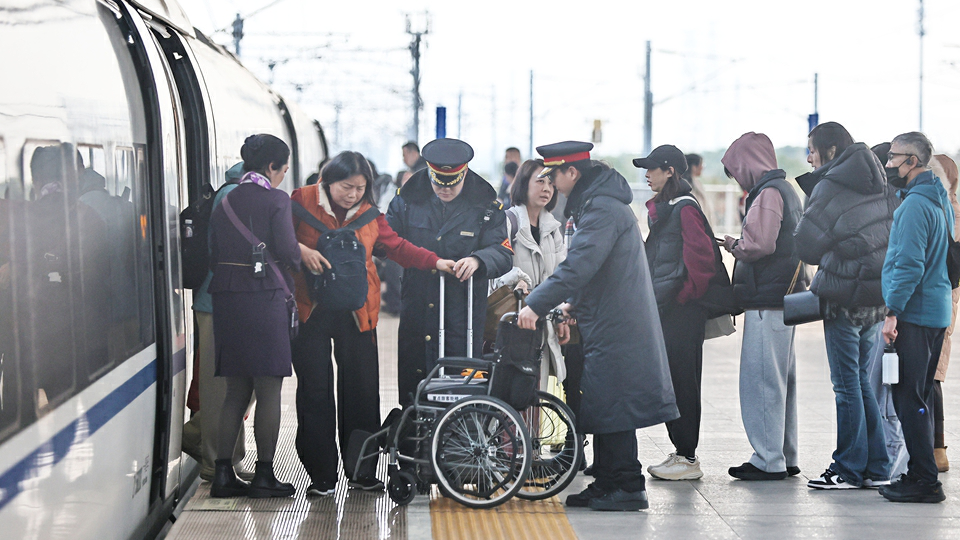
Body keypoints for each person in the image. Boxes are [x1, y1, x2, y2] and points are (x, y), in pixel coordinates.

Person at [517, 141, 678, 512]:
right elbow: (598, 271)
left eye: (554, 175)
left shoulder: (602, 209)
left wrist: (535, 305)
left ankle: (627, 484)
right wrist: (575, 304)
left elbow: (579, 267)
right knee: (605, 400)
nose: (552, 183)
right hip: (608, 317)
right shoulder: (598, 204)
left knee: (616, 403)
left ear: (571, 172)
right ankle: (607, 480)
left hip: (618, 323)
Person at [289, 151, 454, 495]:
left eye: (360, 189)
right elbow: (277, 239)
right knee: (314, 392)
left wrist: (436, 262)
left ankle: (361, 470)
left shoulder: (369, 215)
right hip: (311, 312)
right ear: (327, 180)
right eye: (346, 187)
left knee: (362, 391)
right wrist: (299, 250)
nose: (352, 195)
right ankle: (321, 474)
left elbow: (398, 248)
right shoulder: (300, 201)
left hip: (358, 313)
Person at [793, 122, 897, 490]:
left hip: (842, 299)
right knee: (862, 384)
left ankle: (848, 468)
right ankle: (878, 466)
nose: (809, 157)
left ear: (832, 151)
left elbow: (805, 247)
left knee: (846, 386)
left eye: (812, 149)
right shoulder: (882, 180)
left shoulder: (830, 185)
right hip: (876, 299)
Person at [386, 138, 514, 407]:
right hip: (418, 308)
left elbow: (503, 253)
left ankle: (457, 445)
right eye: (437, 183)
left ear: (464, 173)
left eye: (452, 183)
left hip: (462, 313)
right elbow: (386, 240)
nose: (445, 189)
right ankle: (415, 442)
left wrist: (479, 260)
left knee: (461, 385)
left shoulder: (488, 208)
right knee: (415, 383)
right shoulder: (406, 201)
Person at [208, 134, 301, 498]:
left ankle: (223, 475)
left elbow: (212, 252)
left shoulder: (225, 200)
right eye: (283, 170)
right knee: (268, 387)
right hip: (264, 300)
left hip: (227, 298)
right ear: (272, 167)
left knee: (235, 390)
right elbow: (289, 252)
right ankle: (264, 475)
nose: (282, 177)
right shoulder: (276, 200)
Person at [720, 132, 804, 481]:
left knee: (762, 380)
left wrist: (734, 244)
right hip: (786, 297)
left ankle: (768, 459)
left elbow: (760, 244)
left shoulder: (768, 193)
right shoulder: (786, 190)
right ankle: (785, 453)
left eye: (737, 169)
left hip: (768, 298)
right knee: (783, 380)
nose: (737, 178)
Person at [636, 145, 717, 481]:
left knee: (683, 383)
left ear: (670, 171)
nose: (646, 174)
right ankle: (681, 451)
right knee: (673, 381)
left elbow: (703, 262)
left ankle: (687, 456)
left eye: (652, 168)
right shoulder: (667, 209)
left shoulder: (684, 209)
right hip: (670, 307)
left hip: (681, 311)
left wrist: (683, 297)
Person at [879, 131, 951, 503]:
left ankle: (924, 479)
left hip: (916, 313)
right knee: (918, 396)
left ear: (913, 162)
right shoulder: (939, 201)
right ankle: (920, 472)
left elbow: (908, 266)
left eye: (894, 157)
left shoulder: (913, 207)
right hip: (936, 310)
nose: (888, 163)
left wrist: (892, 313)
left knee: (909, 399)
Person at [182, 162, 250, 482]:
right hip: (218, 302)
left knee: (233, 386)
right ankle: (215, 462)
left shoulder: (234, 194)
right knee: (220, 390)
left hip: (225, 301)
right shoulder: (234, 197)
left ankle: (221, 454)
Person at [491, 159, 570, 393]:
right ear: (523, 184)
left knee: (534, 394)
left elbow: (561, 275)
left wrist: (561, 314)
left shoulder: (553, 229)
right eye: (540, 181)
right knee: (511, 394)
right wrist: (519, 278)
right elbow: (494, 275)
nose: (546, 188)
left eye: (550, 183)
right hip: (512, 326)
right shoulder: (507, 222)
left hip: (542, 328)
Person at [931, 154, 959, 473]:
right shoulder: (947, 207)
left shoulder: (949, 210)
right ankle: (935, 447)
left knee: (933, 374)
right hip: (947, 294)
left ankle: (938, 447)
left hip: (943, 295)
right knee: (932, 374)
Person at [682, 153, 714, 225]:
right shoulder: (688, 186)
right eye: (701, 165)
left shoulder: (695, 183)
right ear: (694, 167)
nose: (702, 168)